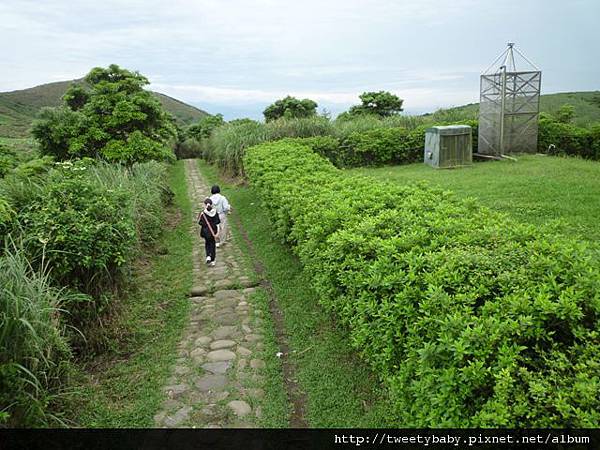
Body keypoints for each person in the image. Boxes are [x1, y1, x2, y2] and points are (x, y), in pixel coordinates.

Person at [197, 198, 220, 266]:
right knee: (213, 245)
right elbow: (218, 222)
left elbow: (200, 222)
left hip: (206, 232)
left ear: (205, 205)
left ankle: (208, 256)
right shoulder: (215, 212)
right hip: (213, 231)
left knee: (207, 243)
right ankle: (213, 260)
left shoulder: (203, 213)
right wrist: (218, 232)